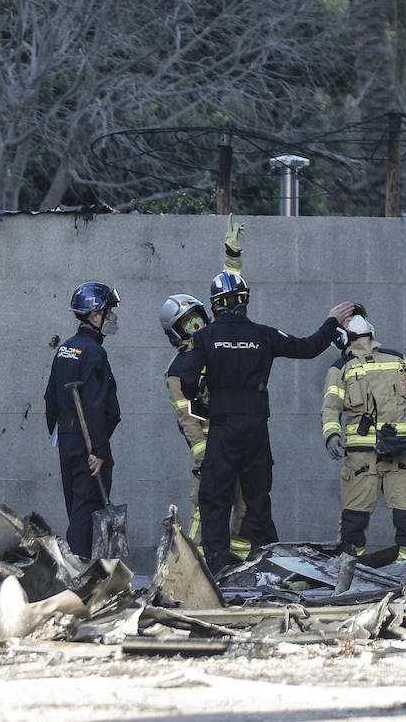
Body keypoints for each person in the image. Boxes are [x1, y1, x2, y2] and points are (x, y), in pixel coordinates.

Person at [176, 274, 352, 575]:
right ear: (244, 299)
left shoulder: (204, 338)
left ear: (215, 305)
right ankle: (272, 565)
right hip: (256, 428)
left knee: (214, 496)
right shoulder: (263, 335)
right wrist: (332, 321)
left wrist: (203, 400)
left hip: (223, 427)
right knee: (257, 497)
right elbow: (308, 347)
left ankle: (217, 566)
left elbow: (187, 380)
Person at [320, 311, 406, 561]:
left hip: (400, 457)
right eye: (347, 320)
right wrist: (332, 434)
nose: (353, 321)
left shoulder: (398, 360)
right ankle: (351, 575)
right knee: (353, 524)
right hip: (362, 461)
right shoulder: (341, 368)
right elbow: (331, 407)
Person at [159, 218, 250, 560]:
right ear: (176, 332)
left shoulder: (219, 344)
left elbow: (232, 295)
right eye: (189, 323)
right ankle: (193, 567)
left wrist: (232, 256)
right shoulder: (178, 368)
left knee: (245, 508)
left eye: (199, 317)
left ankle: (240, 568)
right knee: (206, 511)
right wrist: (203, 453)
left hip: (238, 441)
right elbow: (187, 418)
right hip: (212, 450)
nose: (198, 326)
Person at [44, 281, 121, 560]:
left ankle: (77, 567)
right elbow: (97, 404)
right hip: (90, 443)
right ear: (95, 315)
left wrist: (64, 435)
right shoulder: (94, 352)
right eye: (108, 312)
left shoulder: (66, 348)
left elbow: (50, 398)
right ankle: (79, 570)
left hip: (69, 440)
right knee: (87, 510)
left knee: (76, 505)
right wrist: (98, 450)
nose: (111, 318)